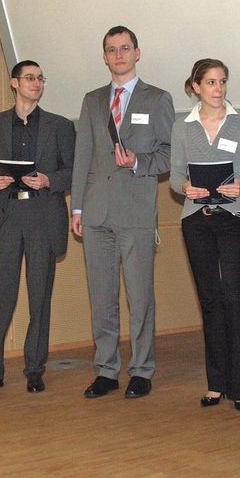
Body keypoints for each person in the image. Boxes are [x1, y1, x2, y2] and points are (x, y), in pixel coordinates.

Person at [0, 60, 75, 394]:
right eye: (29, 77)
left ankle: (35, 368)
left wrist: (49, 179)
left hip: (43, 215)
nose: (36, 83)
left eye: (40, 78)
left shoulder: (60, 125)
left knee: (39, 295)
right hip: (9, 213)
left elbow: (73, 171)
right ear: (14, 83)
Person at [71, 26, 174, 399]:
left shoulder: (157, 98)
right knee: (102, 297)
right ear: (104, 56)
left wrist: (137, 162)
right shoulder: (92, 100)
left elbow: (167, 155)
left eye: (125, 48)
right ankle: (106, 369)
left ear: (137, 52)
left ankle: (142, 369)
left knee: (140, 296)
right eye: (112, 50)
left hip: (136, 211)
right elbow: (83, 156)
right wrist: (77, 206)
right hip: (97, 211)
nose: (119, 55)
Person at [170, 59, 240, 411]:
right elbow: (175, 177)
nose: (218, 89)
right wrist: (187, 189)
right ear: (195, 86)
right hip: (197, 221)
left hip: (232, 219)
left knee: (235, 300)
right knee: (210, 302)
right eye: (211, 83)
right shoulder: (182, 127)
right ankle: (215, 384)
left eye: (222, 82)